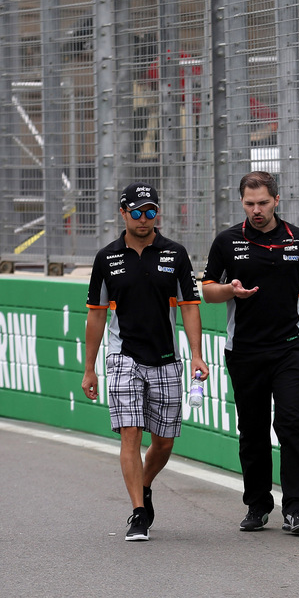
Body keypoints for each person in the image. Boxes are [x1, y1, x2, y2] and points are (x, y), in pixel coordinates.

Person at [201, 170, 299, 536]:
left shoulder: (298, 240)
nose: (257, 210)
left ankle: (296, 509)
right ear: (242, 202)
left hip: (289, 348)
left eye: (263, 203)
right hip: (244, 350)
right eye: (249, 204)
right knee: (253, 429)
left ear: (276, 200)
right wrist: (230, 290)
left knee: (292, 422)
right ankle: (257, 504)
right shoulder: (227, 241)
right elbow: (207, 291)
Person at [82, 182, 208, 541]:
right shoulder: (107, 258)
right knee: (130, 436)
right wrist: (90, 369)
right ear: (123, 213)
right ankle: (138, 512)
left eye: (150, 211)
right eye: (136, 212)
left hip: (166, 359)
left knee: (164, 442)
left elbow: (189, 308)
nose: (144, 218)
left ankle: (145, 484)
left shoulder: (176, 254)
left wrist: (196, 354)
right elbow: (96, 316)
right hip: (123, 358)